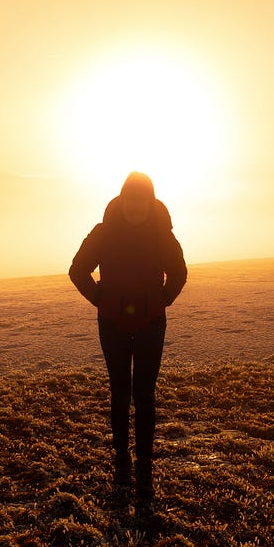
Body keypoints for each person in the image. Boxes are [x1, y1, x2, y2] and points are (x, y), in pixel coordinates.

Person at [69, 172, 187, 512]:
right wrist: (99, 299)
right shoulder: (104, 233)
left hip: (151, 325)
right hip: (113, 324)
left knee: (145, 395)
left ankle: (145, 468)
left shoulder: (162, 235)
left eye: (142, 203)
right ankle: (122, 462)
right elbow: (78, 270)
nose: (136, 209)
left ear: (150, 203)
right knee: (120, 394)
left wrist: (162, 300)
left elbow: (179, 273)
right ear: (122, 201)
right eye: (131, 202)